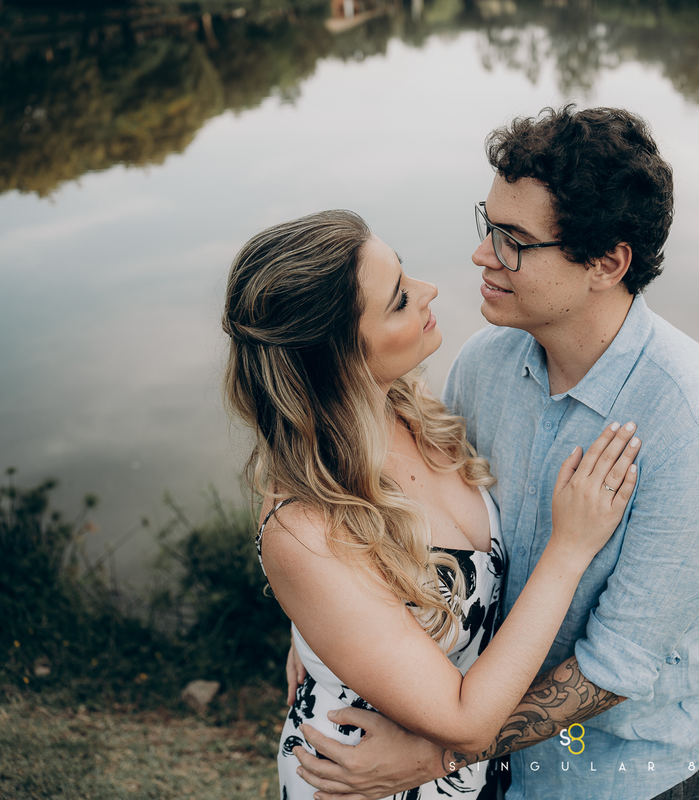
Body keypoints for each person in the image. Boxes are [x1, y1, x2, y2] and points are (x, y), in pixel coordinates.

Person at [289, 106, 699, 800]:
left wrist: (435, 755)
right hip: (482, 763)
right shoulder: (484, 363)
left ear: (606, 263)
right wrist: (323, 623)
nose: (483, 256)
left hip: (614, 778)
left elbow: (615, 666)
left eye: (513, 240)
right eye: (488, 226)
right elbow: (411, 513)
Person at [221, 208, 643, 800]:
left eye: (407, 274)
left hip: (466, 774)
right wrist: (569, 549)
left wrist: (317, 632)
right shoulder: (304, 528)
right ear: (336, 358)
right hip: (368, 781)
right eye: (398, 300)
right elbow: (465, 719)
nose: (429, 291)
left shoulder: (408, 406)